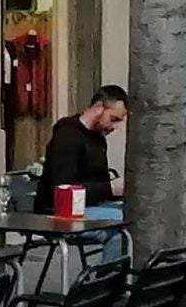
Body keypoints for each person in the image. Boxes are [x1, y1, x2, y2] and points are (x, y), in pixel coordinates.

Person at [35, 85, 127, 216]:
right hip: (61, 211)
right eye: (113, 119)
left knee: (136, 213)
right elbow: (63, 188)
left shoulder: (98, 139)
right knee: (127, 221)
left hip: (91, 205)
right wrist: (110, 188)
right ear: (98, 108)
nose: (114, 127)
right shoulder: (67, 136)